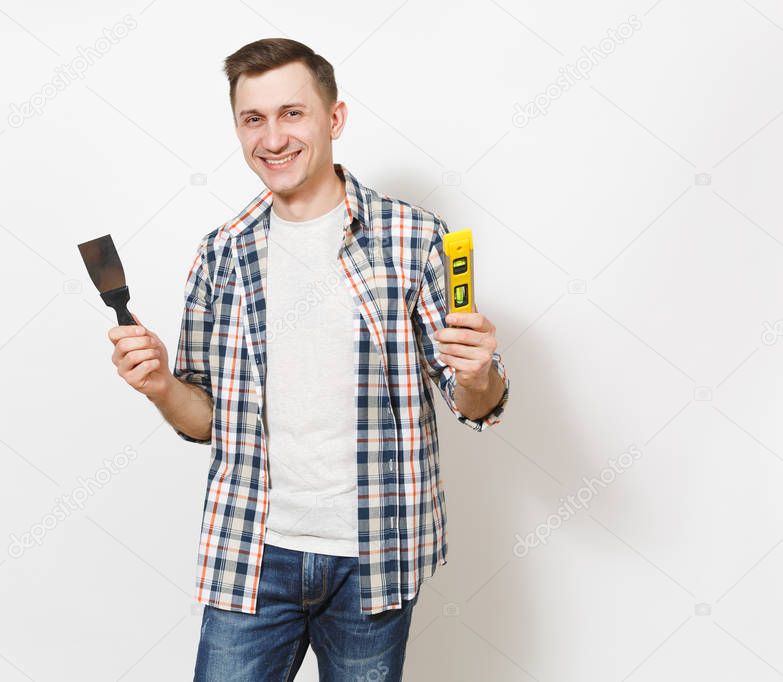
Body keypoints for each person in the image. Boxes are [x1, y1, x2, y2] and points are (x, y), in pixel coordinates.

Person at [107, 37, 510, 681]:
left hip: (376, 555)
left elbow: (474, 405)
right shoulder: (221, 254)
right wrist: (159, 386)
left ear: (334, 118)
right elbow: (204, 419)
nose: (273, 138)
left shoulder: (416, 239)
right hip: (252, 552)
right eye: (253, 118)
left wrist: (477, 374)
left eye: (292, 113)